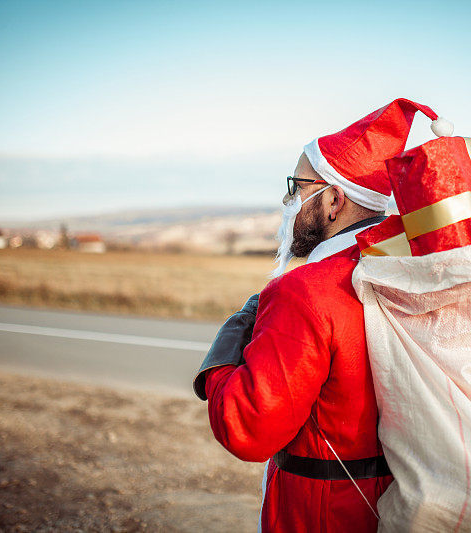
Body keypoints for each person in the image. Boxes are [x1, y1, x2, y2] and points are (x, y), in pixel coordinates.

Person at [192, 98, 453, 532]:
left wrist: (224, 351)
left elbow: (247, 427)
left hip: (319, 514)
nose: (286, 199)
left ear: (334, 200)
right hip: (401, 506)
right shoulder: (407, 273)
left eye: (297, 186)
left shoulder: (303, 292)